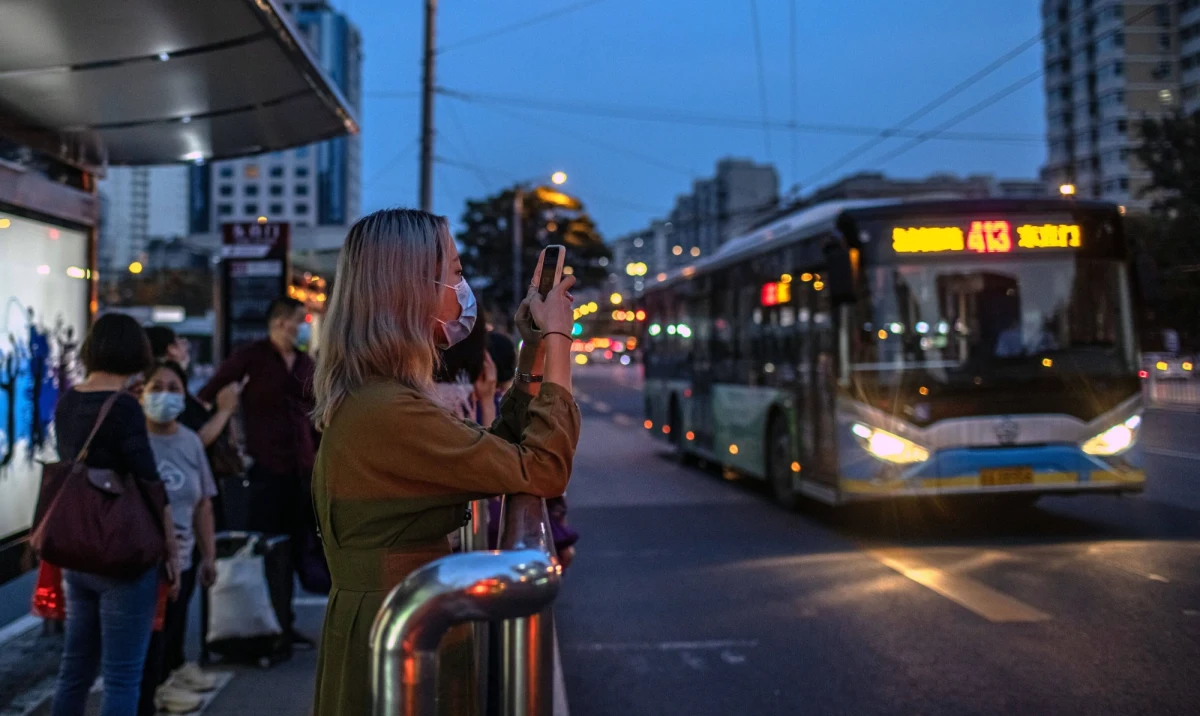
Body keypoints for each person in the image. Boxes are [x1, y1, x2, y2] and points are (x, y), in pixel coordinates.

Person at [310, 208, 580, 716]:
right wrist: (561, 339)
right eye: (455, 274)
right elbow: (542, 468)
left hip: (399, 628)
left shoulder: (380, 400)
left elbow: (493, 453)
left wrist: (533, 350)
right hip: (397, 647)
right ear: (411, 289)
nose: (464, 289)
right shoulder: (388, 411)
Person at [51, 314, 179, 716]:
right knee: (123, 677)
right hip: (122, 552)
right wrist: (171, 544)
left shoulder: (70, 399)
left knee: (74, 671)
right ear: (134, 351)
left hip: (77, 549)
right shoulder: (123, 408)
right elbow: (148, 480)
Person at [197, 297, 317, 647]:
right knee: (265, 548)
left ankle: (285, 621)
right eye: (299, 320)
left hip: (302, 468)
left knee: (296, 549)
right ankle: (265, 625)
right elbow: (210, 393)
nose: (303, 326)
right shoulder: (251, 357)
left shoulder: (305, 362)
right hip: (264, 467)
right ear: (280, 322)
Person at [136, 361, 219, 716]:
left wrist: (209, 556)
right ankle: (149, 695)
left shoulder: (190, 443)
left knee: (170, 632)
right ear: (141, 393)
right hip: (143, 562)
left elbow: (203, 503)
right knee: (146, 641)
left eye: (173, 389)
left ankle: (164, 686)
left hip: (183, 560)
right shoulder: (133, 441)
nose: (164, 396)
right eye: (156, 387)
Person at [145, 326, 243, 447]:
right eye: (180, 341)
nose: (186, 346)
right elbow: (194, 441)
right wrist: (224, 410)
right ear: (172, 349)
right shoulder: (169, 396)